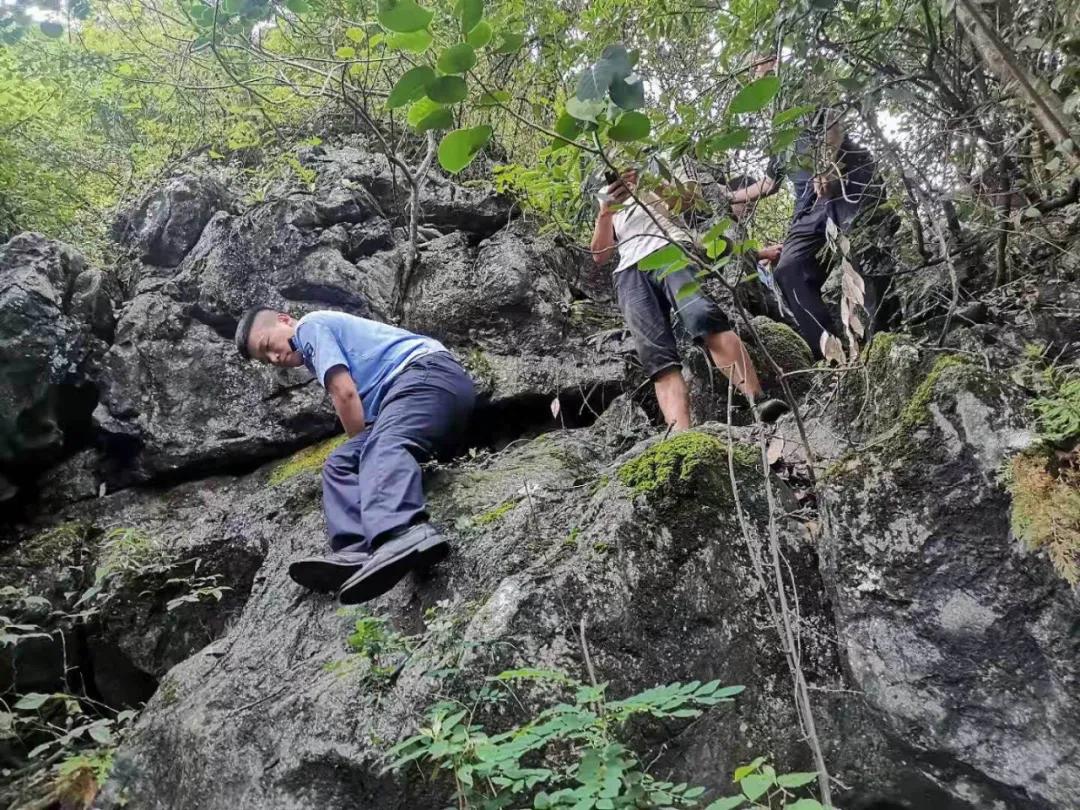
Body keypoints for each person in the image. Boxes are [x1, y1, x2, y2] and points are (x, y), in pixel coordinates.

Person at [235, 307, 475, 604]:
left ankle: (403, 531)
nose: (274, 358)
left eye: (269, 346)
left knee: (378, 446)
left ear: (284, 320)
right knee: (339, 463)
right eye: (266, 360)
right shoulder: (316, 344)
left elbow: (345, 394)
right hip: (408, 400)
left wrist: (367, 447)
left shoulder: (309, 326)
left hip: (426, 375)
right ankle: (355, 551)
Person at [590, 166, 788, 428]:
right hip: (628, 269)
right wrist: (606, 211)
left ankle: (758, 401)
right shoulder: (606, 195)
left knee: (703, 317)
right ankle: (682, 437)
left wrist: (650, 185)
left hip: (670, 246)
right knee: (656, 357)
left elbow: (689, 205)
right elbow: (599, 254)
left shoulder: (655, 170)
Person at [726, 59, 884, 356]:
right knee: (789, 269)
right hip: (809, 208)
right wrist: (724, 197)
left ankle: (878, 339)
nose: (764, 78)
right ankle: (829, 353)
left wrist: (827, 165)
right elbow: (768, 185)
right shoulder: (779, 131)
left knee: (859, 250)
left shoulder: (804, 94)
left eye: (769, 71)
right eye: (758, 75)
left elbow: (833, 122)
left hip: (845, 181)